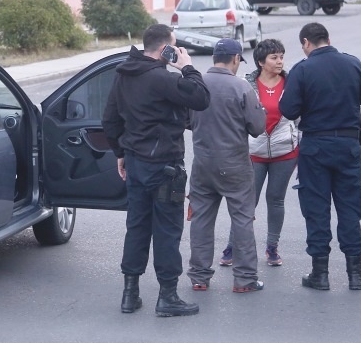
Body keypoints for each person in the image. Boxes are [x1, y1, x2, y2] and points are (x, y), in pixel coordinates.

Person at [102, 24, 210, 317]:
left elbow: (110, 120)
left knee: (136, 226)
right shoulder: (163, 78)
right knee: (167, 230)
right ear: (166, 48)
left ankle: (130, 294)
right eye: (173, 46)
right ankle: (168, 296)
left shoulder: (123, 75)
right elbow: (201, 97)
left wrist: (121, 154)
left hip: (136, 163)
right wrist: (187, 67)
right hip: (165, 166)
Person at [279, 22, 361, 291]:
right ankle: (355, 275)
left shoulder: (302, 69)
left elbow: (288, 109)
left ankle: (320, 275)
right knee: (350, 208)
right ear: (328, 39)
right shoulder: (352, 63)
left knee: (317, 209)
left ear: (306, 43)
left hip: (316, 147)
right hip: (348, 144)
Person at [187, 38, 267, 293]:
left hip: (203, 163)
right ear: (235, 59)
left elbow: (187, 121)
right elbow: (257, 128)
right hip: (234, 164)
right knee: (242, 220)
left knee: (200, 219)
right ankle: (244, 280)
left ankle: (199, 277)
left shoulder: (195, 85)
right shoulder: (242, 88)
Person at [218, 39, 299, 268]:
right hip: (253, 154)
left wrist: (298, 143)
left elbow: (301, 116)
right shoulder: (246, 84)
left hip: (285, 152)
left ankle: (272, 248)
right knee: (246, 203)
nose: (280, 61)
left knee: (276, 200)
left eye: (282, 56)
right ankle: (232, 246)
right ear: (261, 62)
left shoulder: (292, 82)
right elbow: (236, 118)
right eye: (274, 57)